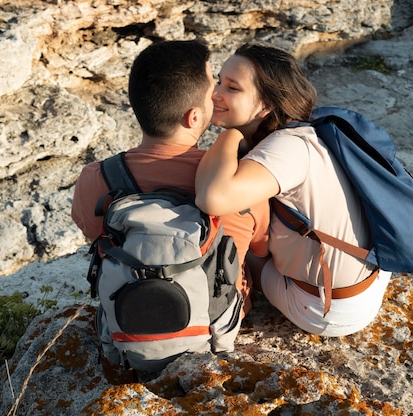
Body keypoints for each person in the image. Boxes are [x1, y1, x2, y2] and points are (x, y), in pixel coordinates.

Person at [195, 43, 392, 337]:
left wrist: (231, 133)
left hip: (323, 308)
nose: (215, 94)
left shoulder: (288, 148)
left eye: (232, 88)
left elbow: (213, 198)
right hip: (370, 279)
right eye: (219, 81)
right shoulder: (308, 132)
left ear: (266, 105)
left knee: (222, 237)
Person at [71, 40, 269, 318]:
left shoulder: (96, 178)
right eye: (212, 88)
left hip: (130, 319)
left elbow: (97, 239)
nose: (216, 95)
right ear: (194, 117)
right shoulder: (239, 181)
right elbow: (261, 248)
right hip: (219, 322)